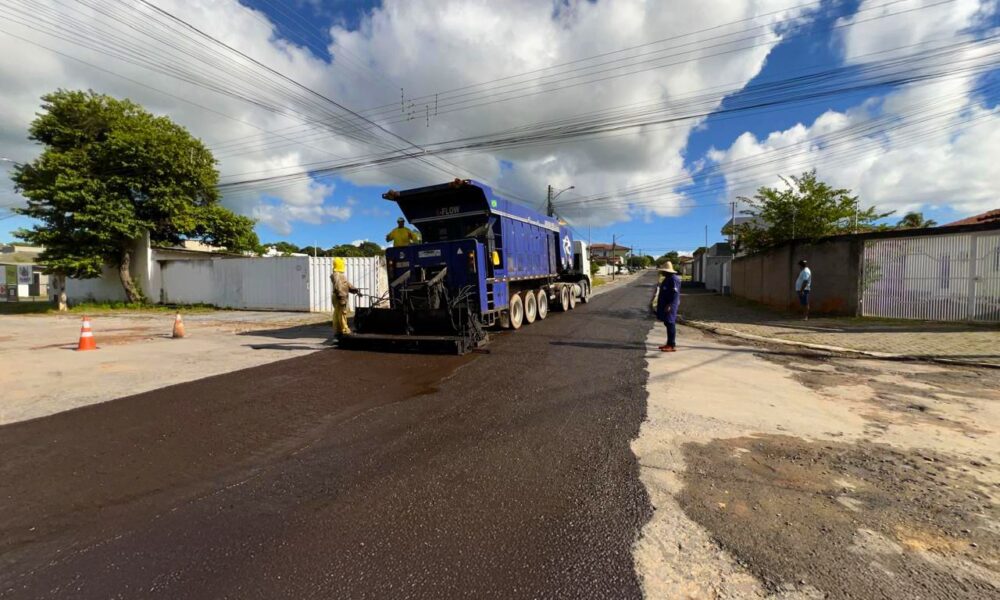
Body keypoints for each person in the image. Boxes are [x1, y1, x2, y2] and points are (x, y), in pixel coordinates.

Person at [655, 261, 682, 352]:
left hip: (670, 305)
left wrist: (670, 305)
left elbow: (674, 294)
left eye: (663, 271)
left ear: (667, 271)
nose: (661, 272)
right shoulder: (667, 278)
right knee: (667, 323)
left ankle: (672, 345)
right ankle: (668, 343)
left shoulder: (674, 279)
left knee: (670, 323)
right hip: (665, 305)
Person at [331, 257, 360, 337]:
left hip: (339, 296)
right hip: (339, 296)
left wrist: (355, 290)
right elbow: (338, 286)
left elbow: (346, 284)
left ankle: (338, 330)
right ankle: (344, 330)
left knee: (338, 313)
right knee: (342, 313)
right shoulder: (337, 275)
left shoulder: (339, 275)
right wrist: (341, 297)